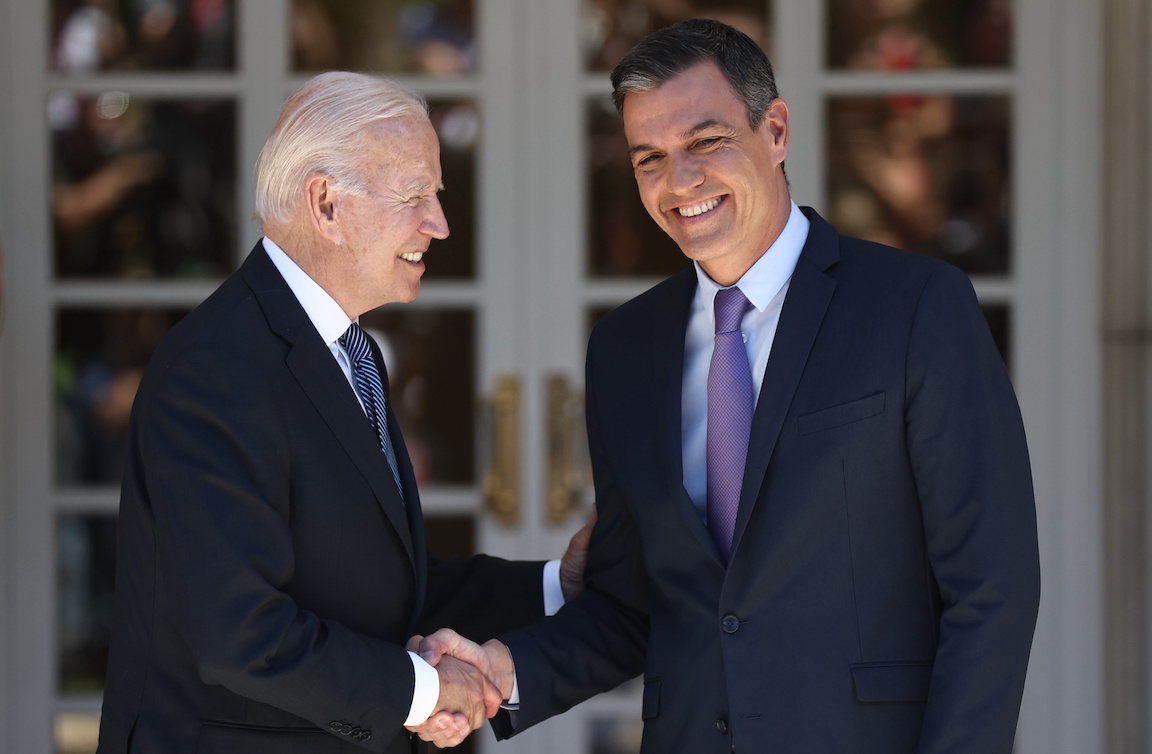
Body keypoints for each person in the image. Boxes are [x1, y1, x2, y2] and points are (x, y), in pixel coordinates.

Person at [419, 19, 1040, 753]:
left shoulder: (915, 309)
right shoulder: (625, 350)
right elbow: (632, 605)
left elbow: (991, 589)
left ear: (775, 130)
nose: (679, 182)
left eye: (706, 142)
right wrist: (506, 668)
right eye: (650, 158)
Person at [97, 71, 591, 754]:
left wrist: (551, 586)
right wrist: (421, 692)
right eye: (416, 195)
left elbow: (376, 588)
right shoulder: (216, 368)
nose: (439, 224)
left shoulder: (351, 351)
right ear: (325, 204)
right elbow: (243, 636)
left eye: (437, 196)